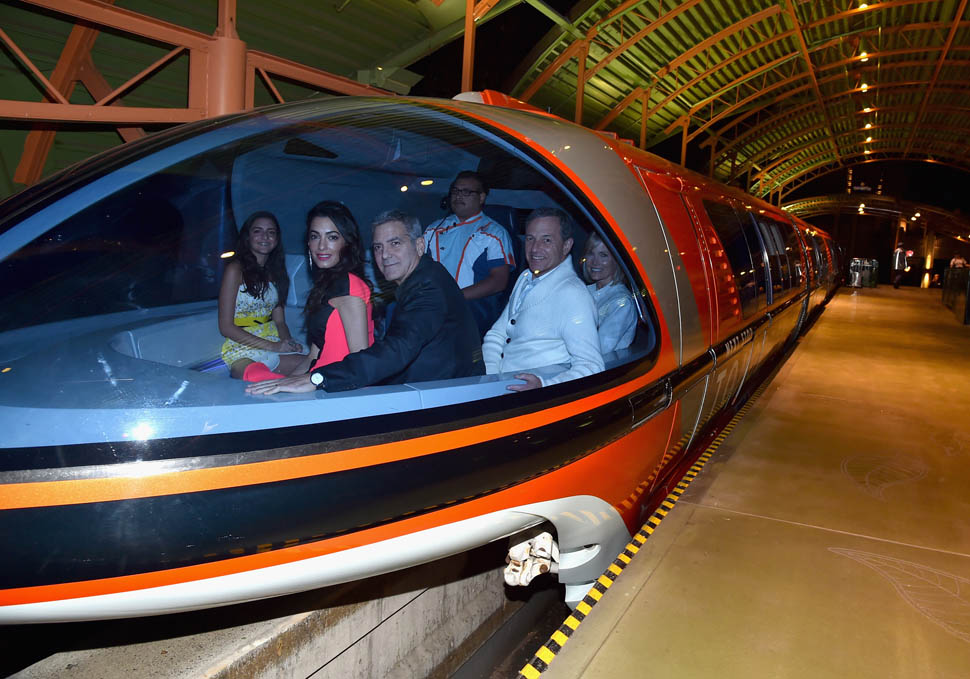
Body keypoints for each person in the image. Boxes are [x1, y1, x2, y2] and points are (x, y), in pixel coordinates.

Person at [246, 210, 483, 395]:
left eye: (395, 243)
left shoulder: (428, 287)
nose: (385, 255)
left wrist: (319, 379)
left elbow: (398, 349)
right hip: (430, 387)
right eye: (378, 247)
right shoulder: (423, 279)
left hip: (446, 397)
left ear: (419, 245)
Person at [241, 201, 375, 382]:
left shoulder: (350, 287)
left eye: (332, 237)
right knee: (256, 380)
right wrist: (284, 384)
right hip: (319, 380)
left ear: (348, 242)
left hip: (335, 387)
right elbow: (313, 356)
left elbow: (361, 366)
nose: (321, 246)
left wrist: (309, 383)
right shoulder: (326, 286)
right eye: (315, 236)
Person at [483, 207, 603, 391]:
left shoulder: (573, 294)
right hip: (501, 387)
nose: (535, 248)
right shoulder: (525, 278)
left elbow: (592, 366)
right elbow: (496, 335)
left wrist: (545, 386)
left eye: (547, 240)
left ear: (566, 246)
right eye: (530, 238)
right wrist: (492, 378)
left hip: (533, 399)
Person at [423, 171, 515, 335]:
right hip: (434, 304)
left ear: (481, 198)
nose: (458, 196)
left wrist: (455, 296)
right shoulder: (433, 229)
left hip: (472, 307)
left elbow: (499, 281)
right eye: (455, 191)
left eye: (466, 192)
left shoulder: (494, 233)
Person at [218, 212, 304, 380]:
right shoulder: (235, 269)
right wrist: (273, 346)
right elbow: (225, 327)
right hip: (241, 346)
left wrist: (288, 344)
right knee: (258, 378)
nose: (265, 236)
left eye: (271, 232)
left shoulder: (276, 272)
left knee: (314, 366)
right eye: (258, 231)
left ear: (277, 239)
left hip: (272, 339)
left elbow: (280, 321)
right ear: (247, 237)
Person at [583, 232, 637, 353]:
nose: (595, 262)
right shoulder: (583, 291)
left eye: (603, 255)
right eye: (591, 253)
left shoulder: (622, 303)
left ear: (617, 261)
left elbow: (598, 349)